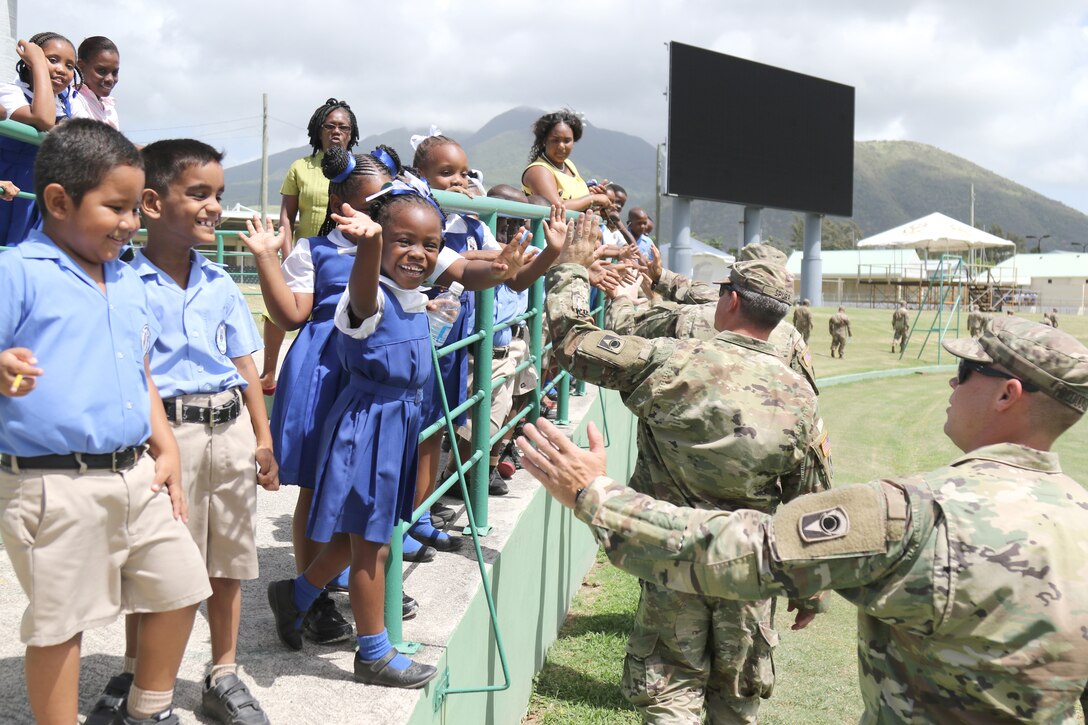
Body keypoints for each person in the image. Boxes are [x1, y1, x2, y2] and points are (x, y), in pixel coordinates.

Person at [519, 314, 1088, 723]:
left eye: (965, 370)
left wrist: (594, 494)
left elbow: (742, 553)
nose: (950, 380)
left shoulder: (914, 512)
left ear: (1008, 394)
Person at [540, 216, 832, 723]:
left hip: (668, 554)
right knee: (736, 701)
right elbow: (811, 502)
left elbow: (571, 341)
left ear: (732, 300)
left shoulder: (669, 362)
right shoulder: (802, 399)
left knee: (670, 691)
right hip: (749, 569)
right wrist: (810, 588)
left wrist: (571, 268)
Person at [0, 119, 211, 725]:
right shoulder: (20, 271)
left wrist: (164, 446)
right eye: (114, 207)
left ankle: (148, 711)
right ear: (59, 201)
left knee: (180, 587)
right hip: (52, 483)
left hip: (135, 474)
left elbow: (139, 366)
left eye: (134, 208)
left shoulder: (124, 277)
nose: (130, 222)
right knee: (59, 625)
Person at [94, 139, 279, 725]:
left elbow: (246, 365)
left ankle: (223, 673)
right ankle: (135, 670)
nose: (214, 207)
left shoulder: (220, 282)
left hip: (228, 434)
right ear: (150, 202)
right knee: (154, 561)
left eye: (219, 195)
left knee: (227, 562)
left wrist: (263, 438)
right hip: (164, 438)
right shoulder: (121, 285)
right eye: (198, 193)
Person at [265, 181, 446, 689]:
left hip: (398, 424)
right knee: (373, 544)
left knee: (364, 533)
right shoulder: (364, 299)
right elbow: (365, 292)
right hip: (369, 425)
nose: (418, 254)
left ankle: (297, 595)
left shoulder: (412, 297)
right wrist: (368, 246)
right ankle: (373, 652)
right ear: (377, 243)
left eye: (430, 245)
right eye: (402, 241)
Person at [243, 145, 405, 636]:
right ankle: (310, 597)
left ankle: (350, 585)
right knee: (316, 487)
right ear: (340, 205)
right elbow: (292, 314)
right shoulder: (317, 251)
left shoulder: (398, 249)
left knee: (363, 487)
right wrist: (269, 260)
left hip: (373, 379)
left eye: (387, 204)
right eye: (373, 205)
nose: (381, 215)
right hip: (325, 372)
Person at [605, 243, 819, 393]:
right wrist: (662, 277)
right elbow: (701, 293)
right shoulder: (792, 339)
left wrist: (622, 298)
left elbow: (625, 332)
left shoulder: (693, 318)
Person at [260, 98, 360, 395]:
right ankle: (268, 374)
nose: (336, 132)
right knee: (280, 312)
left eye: (343, 127)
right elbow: (287, 217)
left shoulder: (359, 168)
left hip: (343, 256)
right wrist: (288, 254)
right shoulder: (300, 167)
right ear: (318, 130)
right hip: (305, 254)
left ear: (352, 133)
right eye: (329, 126)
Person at [0, 33, 78, 244]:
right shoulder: (10, 92)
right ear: (28, 61)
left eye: (70, 65)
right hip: (10, 192)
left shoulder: (67, 103)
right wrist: (38, 64)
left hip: (38, 197)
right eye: (52, 60)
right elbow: (42, 119)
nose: (62, 69)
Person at [521, 109, 611, 213]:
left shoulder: (569, 164)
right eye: (555, 140)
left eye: (567, 141)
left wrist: (593, 194)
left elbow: (575, 201)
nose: (561, 146)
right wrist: (592, 199)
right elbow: (556, 208)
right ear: (544, 141)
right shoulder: (538, 170)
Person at [71, 36, 120, 129]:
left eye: (114, 72)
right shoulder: (73, 98)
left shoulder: (109, 107)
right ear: (81, 66)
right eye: (101, 71)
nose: (110, 79)